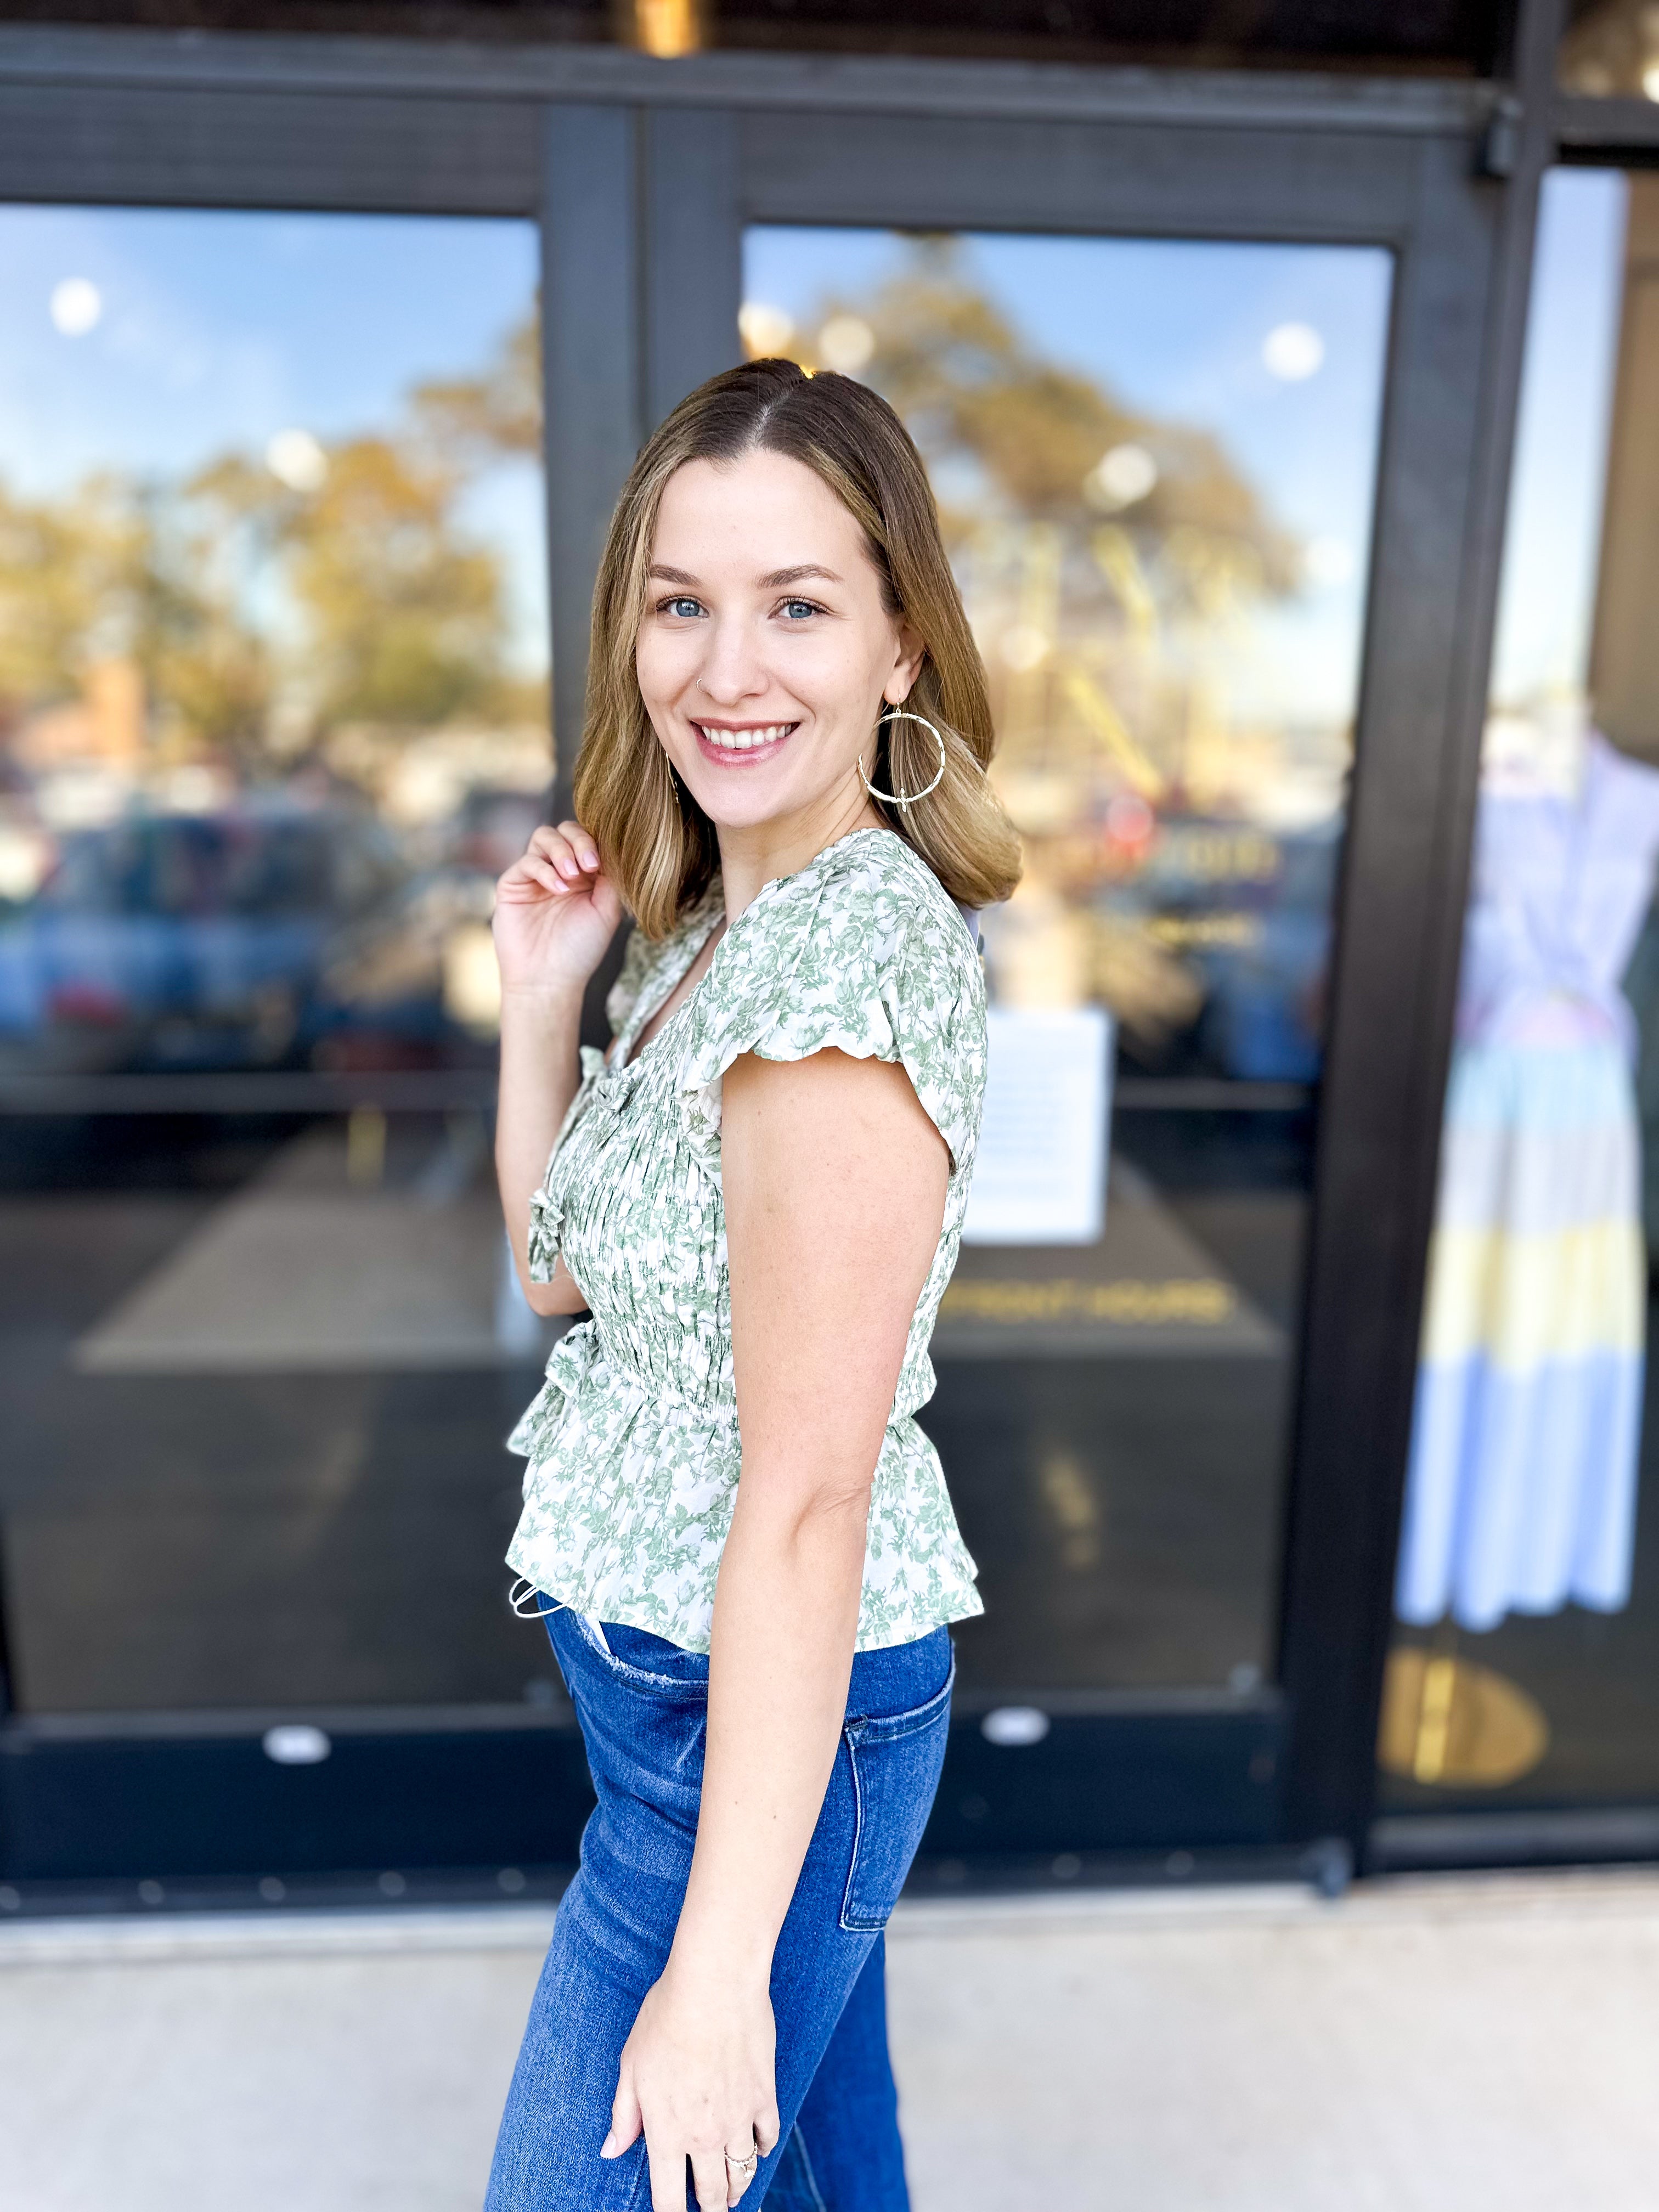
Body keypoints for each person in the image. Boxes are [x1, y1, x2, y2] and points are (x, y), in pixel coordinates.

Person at [485, 357, 1021, 2212]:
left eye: (798, 605)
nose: (727, 670)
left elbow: (804, 1509)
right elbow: (559, 1273)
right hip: (690, 1709)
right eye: (681, 604)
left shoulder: (835, 985)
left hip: (751, 1741)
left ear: (900, 651)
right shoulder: (718, 932)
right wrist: (547, 994)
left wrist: (715, 1973)